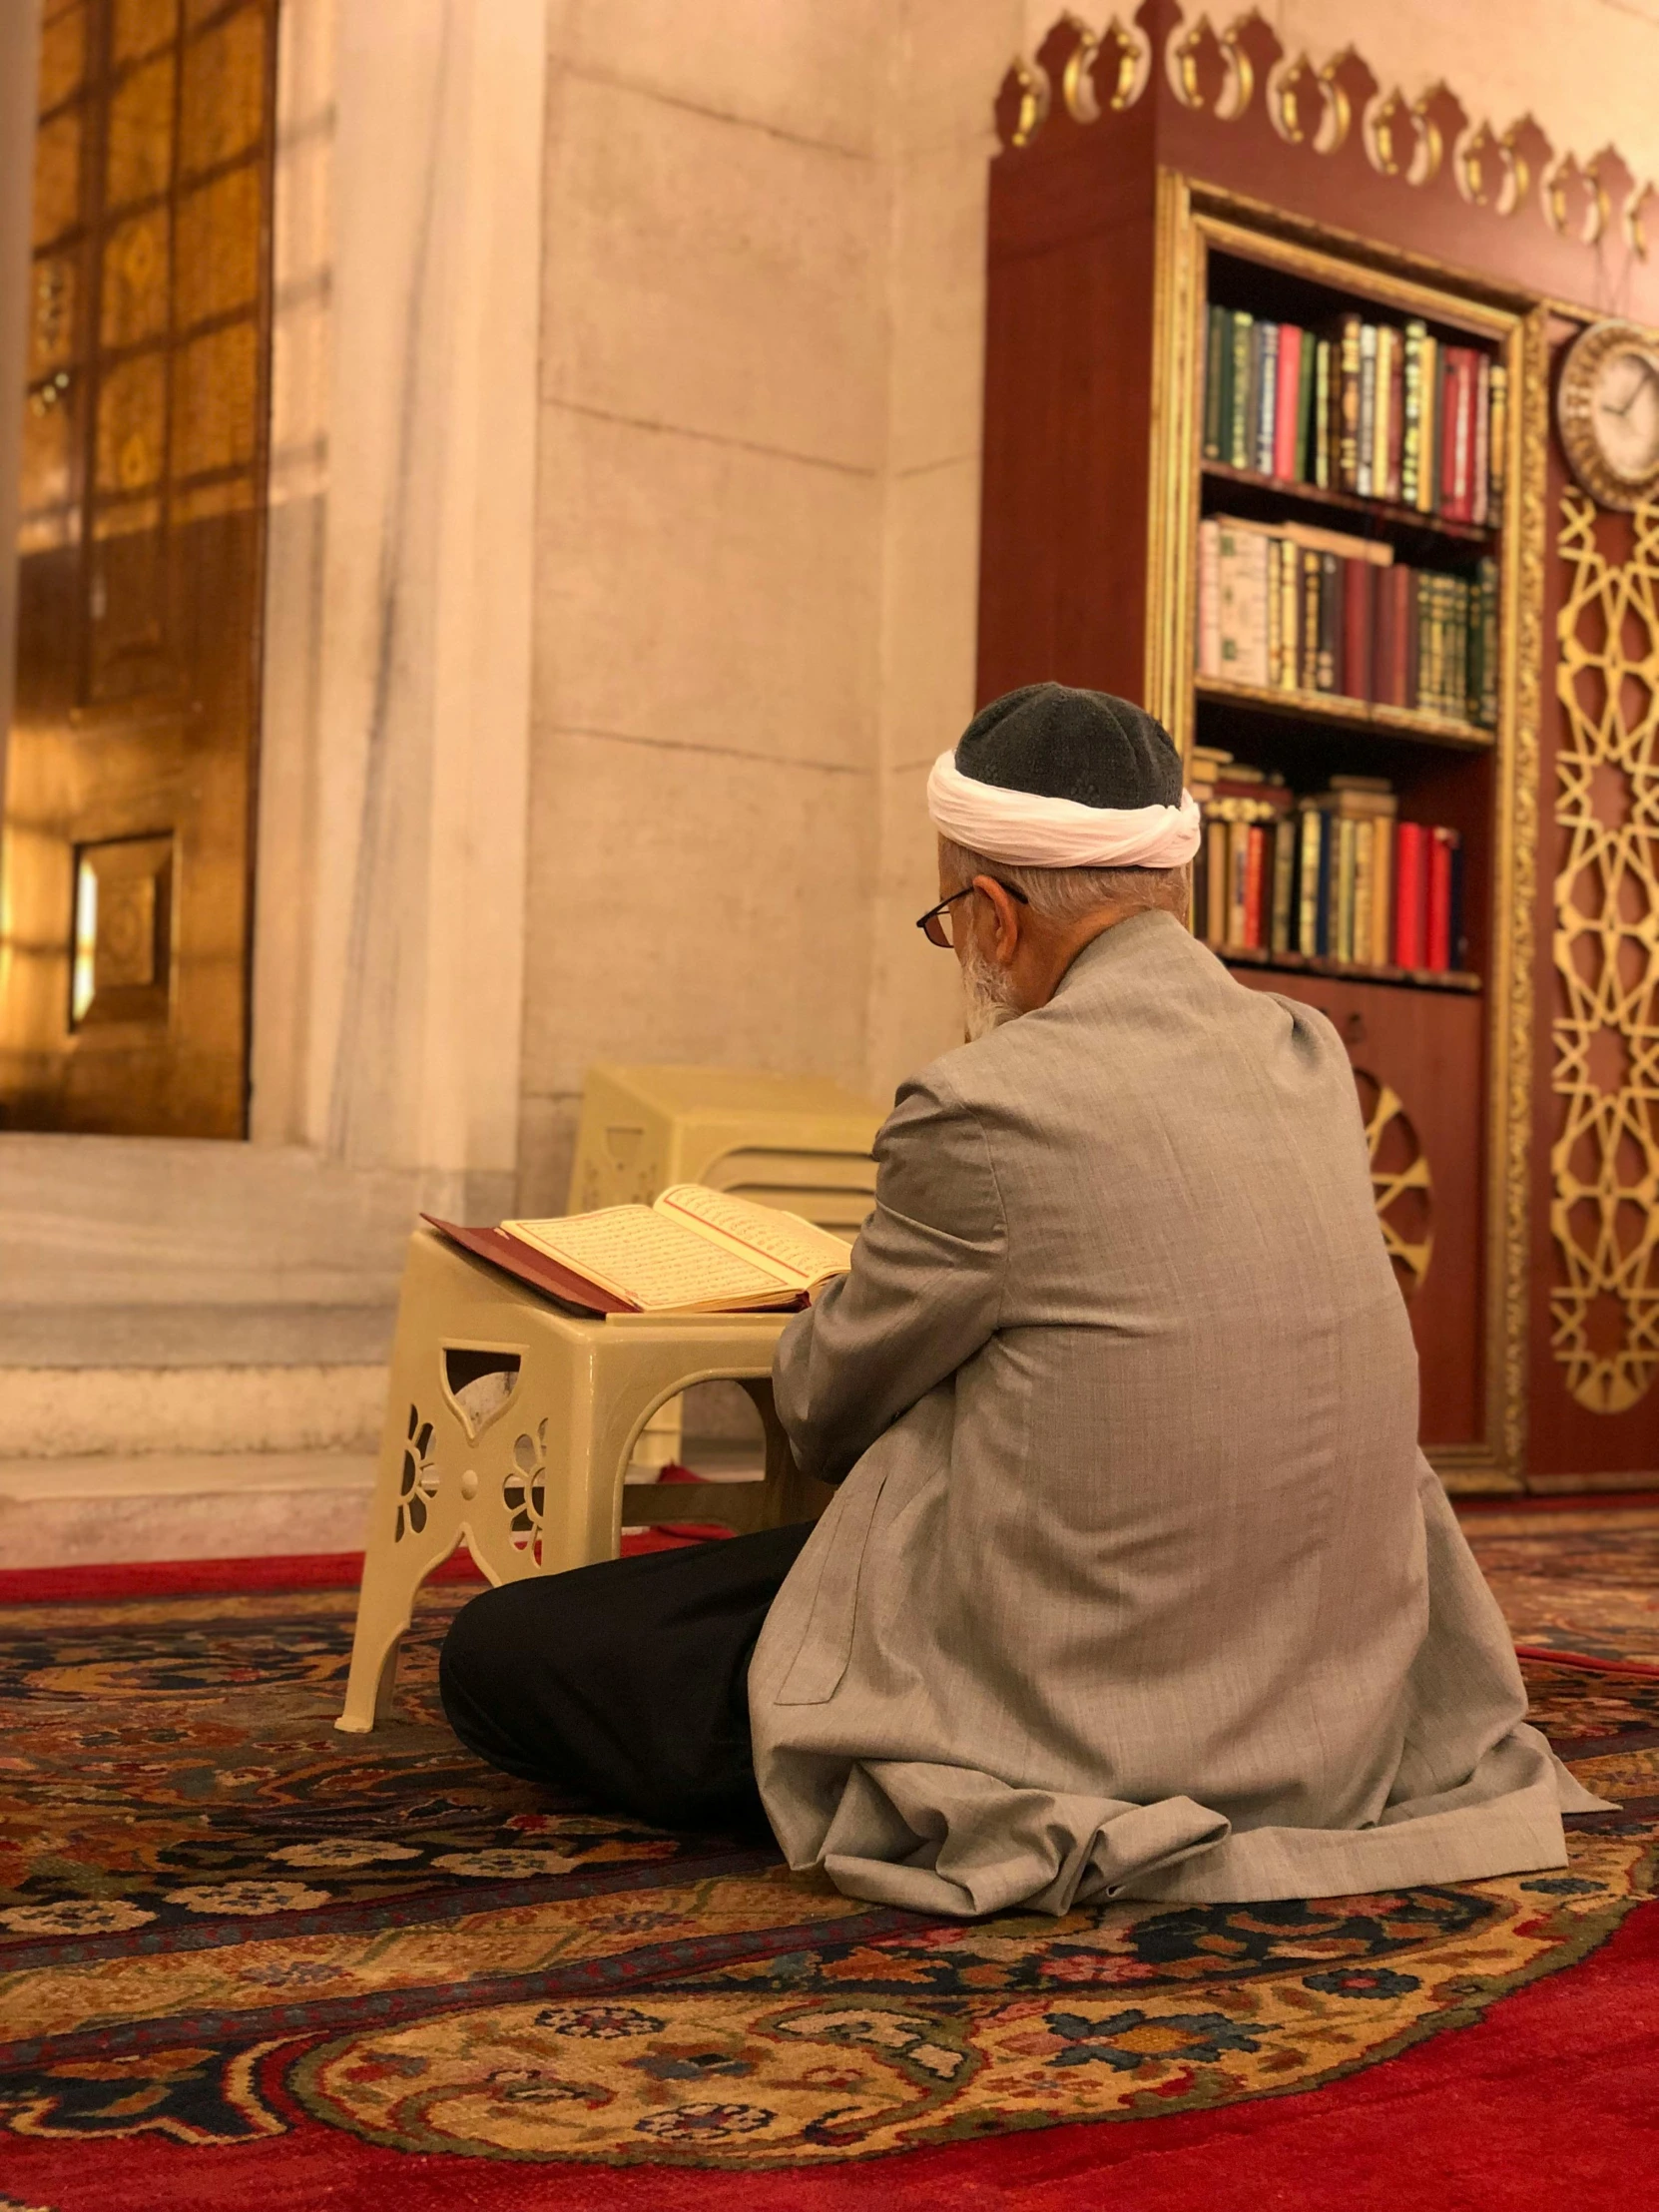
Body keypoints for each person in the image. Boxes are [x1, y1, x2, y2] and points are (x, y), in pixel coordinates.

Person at [440, 682, 1601, 1915]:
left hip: (1089, 1686)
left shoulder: (989, 1105)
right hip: (1331, 1682)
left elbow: (827, 1412)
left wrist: (841, 1293)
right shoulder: (1308, 1057)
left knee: (507, 1648)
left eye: (948, 918)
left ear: (993, 914)